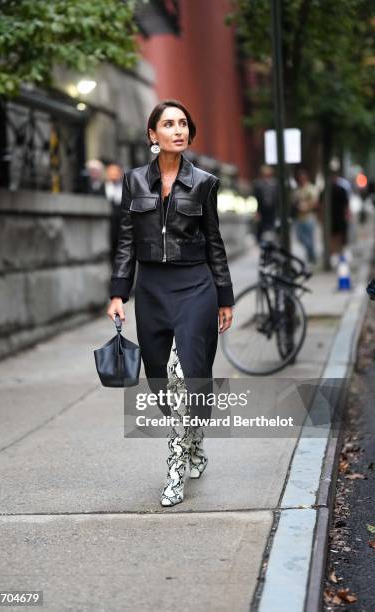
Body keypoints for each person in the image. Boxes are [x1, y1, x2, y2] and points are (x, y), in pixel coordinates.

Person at [106, 99, 234, 507]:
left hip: (196, 285)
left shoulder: (205, 183)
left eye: (183, 124)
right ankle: (195, 442)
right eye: (168, 124)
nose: (177, 130)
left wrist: (225, 296)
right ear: (152, 134)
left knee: (187, 373)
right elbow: (126, 241)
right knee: (162, 382)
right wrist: (117, 292)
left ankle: (175, 472)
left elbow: (214, 241)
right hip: (152, 290)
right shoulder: (133, 182)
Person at [292, 169, 319, 264]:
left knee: (310, 238)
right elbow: (294, 202)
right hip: (299, 217)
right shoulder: (297, 190)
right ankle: (311, 254)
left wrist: (307, 206)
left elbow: (315, 202)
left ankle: (312, 257)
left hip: (309, 216)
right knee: (300, 237)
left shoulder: (311, 189)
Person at [103, 163, 124, 267]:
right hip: (106, 229)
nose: (114, 175)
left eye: (116, 172)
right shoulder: (101, 188)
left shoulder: (126, 188)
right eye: (111, 172)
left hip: (122, 229)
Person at [253, 165, 278, 242]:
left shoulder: (275, 184)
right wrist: (257, 212)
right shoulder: (258, 184)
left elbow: (278, 199)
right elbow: (255, 199)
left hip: (272, 211)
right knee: (261, 230)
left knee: (272, 230)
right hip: (262, 211)